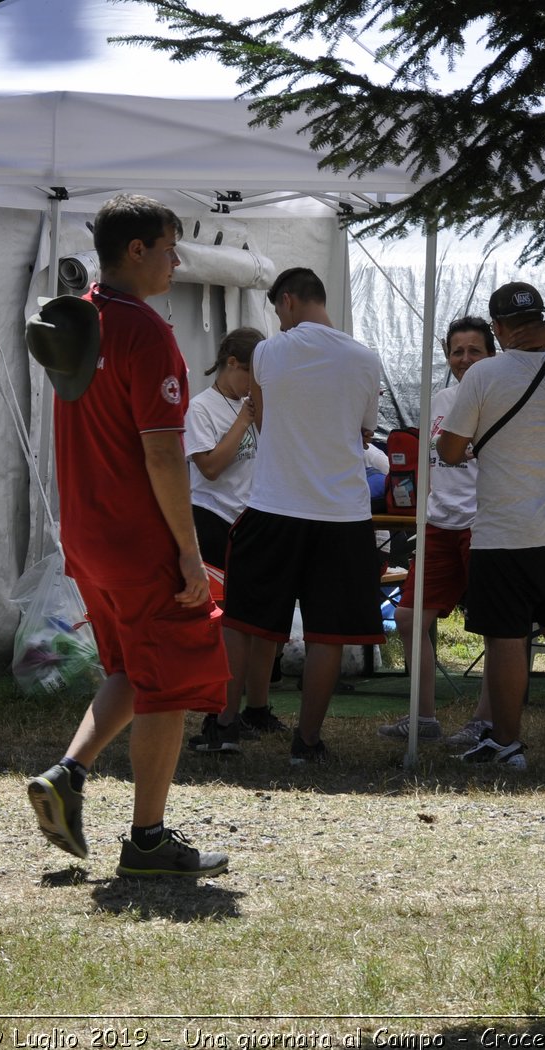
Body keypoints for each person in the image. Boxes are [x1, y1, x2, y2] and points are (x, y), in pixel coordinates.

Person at [26, 193, 230, 877]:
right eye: (169, 248)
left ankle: (69, 773)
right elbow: (165, 454)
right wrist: (190, 551)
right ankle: (147, 840)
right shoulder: (145, 331)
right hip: (137, 537)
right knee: (168, 684)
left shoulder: (78, 316)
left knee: (131, 671)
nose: (176, 261)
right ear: (136, 250)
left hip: (86, 534)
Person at [435, 282, 545, 773]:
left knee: (505, 641)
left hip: (503, 533)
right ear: (541, 321)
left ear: (497, 330)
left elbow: (449, 452)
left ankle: (507, 745)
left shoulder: (484, 373)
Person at [220, 266, 385, 764]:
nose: (279, 320)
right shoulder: (366, 358)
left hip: (275, 504)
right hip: (343, 512)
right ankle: (307, 741)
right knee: (328, 633)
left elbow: (264, 420)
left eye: (277, 310)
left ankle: (224, 725)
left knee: (244, 619)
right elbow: (364, 432)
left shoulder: (269, 350)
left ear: (287, 301)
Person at [377, 316, 497, 748]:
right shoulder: (439, 399)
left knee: (494, 625)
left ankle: (486, 721)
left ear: (491, 354)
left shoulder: (499, 397)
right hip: (438, 524)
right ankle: (423, 716)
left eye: (474, 351)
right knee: (409, 619)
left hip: (482, 524)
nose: (464, 359)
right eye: (457, 351)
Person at [182, 326, 285, 754]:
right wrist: (245, 418)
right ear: (231, 366)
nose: (256, 384)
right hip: (213, 519)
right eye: (251, 374)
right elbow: (210, 467)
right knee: (226, 625)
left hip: (256, 519)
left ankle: (255, 709)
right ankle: (218, 715)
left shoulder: (259, 403)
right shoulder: (202, 408)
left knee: (262, 623)